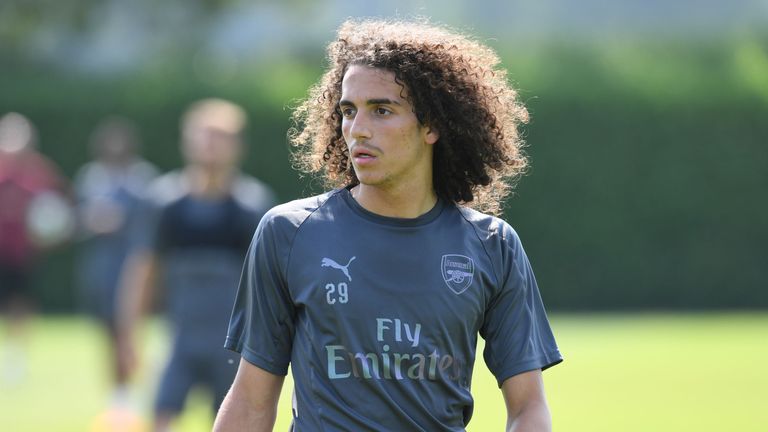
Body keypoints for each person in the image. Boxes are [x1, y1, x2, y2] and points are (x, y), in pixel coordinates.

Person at [214, 18, 562, 432]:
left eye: (381, 110)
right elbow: (252, 400)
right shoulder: (289, 232)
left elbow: (528, 408)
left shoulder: (492, 245)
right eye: (348, 111)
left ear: (432, 125)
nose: (357, 129)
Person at [116, 99, 276, 432]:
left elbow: (268, 284)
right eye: (203, 135)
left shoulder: (253, 207)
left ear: (237, 145)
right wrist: (129, 334)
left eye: (220, 137)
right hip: (179, 337)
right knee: (161, 417)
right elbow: (143, 270)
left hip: (233, 343)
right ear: (186, 141)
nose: (210, 145)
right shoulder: (165, 203)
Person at [73, 116, 158, 411]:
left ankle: (138, 385)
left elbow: (150, 222)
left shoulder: (143, 177)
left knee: (132, 327)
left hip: (134, 264)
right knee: (108, 330)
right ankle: (118, 391)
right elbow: (79, 219)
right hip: (102, 266)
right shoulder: (92, 177)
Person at [0, 112, 71, 383]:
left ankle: (15, 356)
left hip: (21, 252)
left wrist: (51, 232)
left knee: (20, 304)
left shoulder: (40, 170)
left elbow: (58, 209)